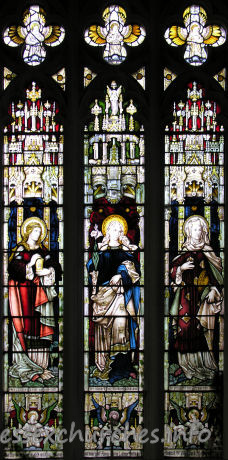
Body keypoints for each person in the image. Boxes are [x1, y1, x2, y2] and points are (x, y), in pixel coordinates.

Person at [8, 217, 62, 384]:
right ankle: (27, 365)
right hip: (25, 295)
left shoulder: (43, 250)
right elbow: (13, 268)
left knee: (41, 328)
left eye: (40, 231)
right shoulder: (21, 249)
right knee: (27, 326)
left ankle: (42, 366)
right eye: (35, 230)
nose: (38, 234)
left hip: (41, 295)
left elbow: (56, 266)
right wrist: (30, 265)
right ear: (28, 231)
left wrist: (50, 270)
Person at [87, 214, 140, 382]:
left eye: (119, 228)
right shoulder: (100, 250)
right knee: (104, 333)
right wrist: (96, 254)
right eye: (112, 228)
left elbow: (134, 272)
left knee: (121, 327)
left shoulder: (127, 251)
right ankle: (104, 367)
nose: (115, 231)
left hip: (120, 297)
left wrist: (121, 275)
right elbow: (92, 270)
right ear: (107, 231)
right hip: (103, 296)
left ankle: (122, 367)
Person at [170, 215, 223, 381]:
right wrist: (180, 269)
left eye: (200, 229)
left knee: (200, 328)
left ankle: (202, 364)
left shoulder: (208, 253)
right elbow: (172, 272)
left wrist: (214, 289)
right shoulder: (183, 254)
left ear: (204, 231)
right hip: (185, 298)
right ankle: (184, 365)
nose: (197, 232)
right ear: (188, 232)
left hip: (202, 298)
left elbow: (217, 276)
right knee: (184, 328)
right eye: (194, 229)